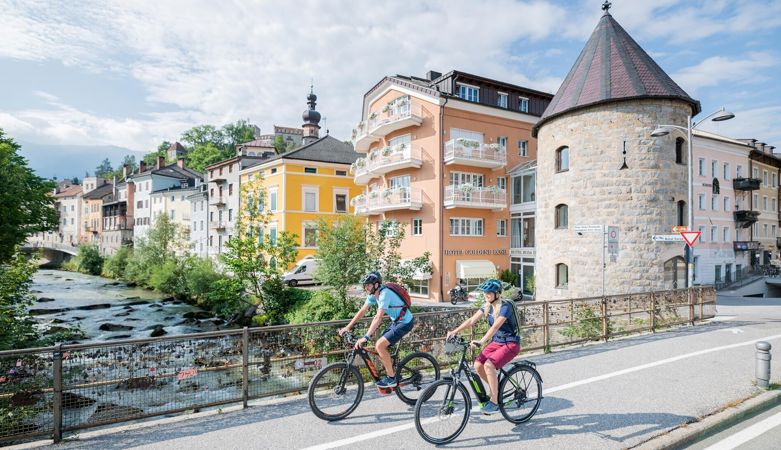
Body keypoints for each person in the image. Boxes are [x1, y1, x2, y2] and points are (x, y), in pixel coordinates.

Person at [446, 279, 520, 415]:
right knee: (478, 365)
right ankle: (496, 390)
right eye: (485, 293)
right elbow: (471, 320)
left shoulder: (505, 306)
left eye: (490, 293)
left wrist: (481, 341)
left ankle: (494, 402)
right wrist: (454, 331)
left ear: (497, 294)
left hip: (510, 343)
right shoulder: (487, 306)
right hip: (497, 342)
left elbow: (496, 326)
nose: (487, 295)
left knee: (489, 365)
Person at [339, 271, 414, 388]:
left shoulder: (385, 294)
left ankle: (391, 378)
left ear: (376, 284)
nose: (366, 288)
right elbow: (363, 310)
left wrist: (365, 337)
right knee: (380, 346)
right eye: (365, 286)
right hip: (396, 321)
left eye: (368, 285)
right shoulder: (374, 295)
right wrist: (348, 326)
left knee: (380, 345)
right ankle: (394, 371)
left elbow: (378, 317)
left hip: (405, 322)